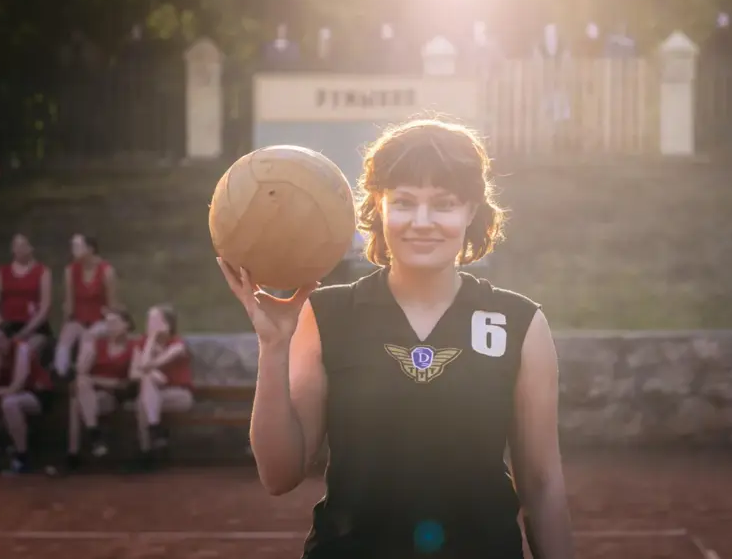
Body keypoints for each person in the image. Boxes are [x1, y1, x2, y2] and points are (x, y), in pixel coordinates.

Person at [218, 119, 574, 559]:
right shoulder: (327, 314)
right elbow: (278, 476)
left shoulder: (519, 322)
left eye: (443, 204)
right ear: (378, 206)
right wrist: (273, 346)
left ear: (471, 211)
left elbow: (541, 485)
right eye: (404, 202)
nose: (422, 222)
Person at [0, 325, 53, 474]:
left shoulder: (22, 349)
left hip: (34, 393)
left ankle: (23, 458)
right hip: (3, 395)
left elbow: (17, 386)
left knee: (10, 403)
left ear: (9, 339)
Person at [65, 307, 135, 470]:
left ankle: (75, 453)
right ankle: (92, 437)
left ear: (126, 325)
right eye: (107, 323)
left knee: (78, 402)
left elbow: (125, 383)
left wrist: (95, 380)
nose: (110, 327)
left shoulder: (133, 346)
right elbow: (81, 372)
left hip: (115, 395)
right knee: (79, 395)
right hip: (92, 393)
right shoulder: (97, 344)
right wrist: (88, 341)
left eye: (114, 322)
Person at [128, 304, 194, 469]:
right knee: (145, 395)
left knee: (144, 399)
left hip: (178, 395)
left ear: (167, 324)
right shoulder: (141, 343)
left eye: (154, 320)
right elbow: (133, 374)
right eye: (149, 320)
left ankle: (147, 450)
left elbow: (147, 365)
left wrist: (148, 371)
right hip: (153, 395)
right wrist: (151, 340)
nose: (149, 324)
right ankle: (153, 433)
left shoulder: (177, 344)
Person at [54, 234, 118, 379]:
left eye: (77, 247)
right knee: (65, 338)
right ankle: (60, 374)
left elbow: (112, 305)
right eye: (72, 247)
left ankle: (81, 374)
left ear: (90, 249)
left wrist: (110, 325)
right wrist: (65, 325)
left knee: (88, 337)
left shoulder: (106, 271)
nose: (73, 251)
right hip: (78, 319)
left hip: (101, 319)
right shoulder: (70, 270)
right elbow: (69, 304)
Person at [0, 234, 53, 361]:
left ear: (31, 248)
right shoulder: (1, 273)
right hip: (8, 325)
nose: (19, 249)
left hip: (33, 327)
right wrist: (1, 325)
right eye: (16, 245)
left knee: (24, 351)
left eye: (23, 245)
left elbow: (45, 308)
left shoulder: (42, 271)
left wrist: (24, 333)